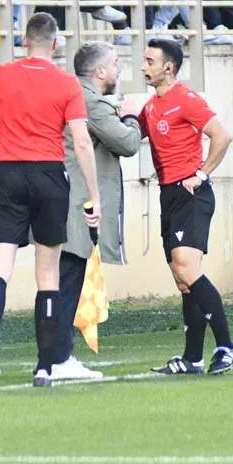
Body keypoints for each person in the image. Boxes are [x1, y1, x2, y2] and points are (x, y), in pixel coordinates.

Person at [0, 13, 103, 389]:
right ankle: (45, 367)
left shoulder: (1, 74)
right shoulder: (66, 84)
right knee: (47, 274)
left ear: (23, 40)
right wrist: (94, 196)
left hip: (9, 174)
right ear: (56, 44)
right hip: (49, 176)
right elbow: (81, 141)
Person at [138, 39, 233, 374]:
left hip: (191, 193)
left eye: (150, 61)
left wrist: (202, 174)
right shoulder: (151, 107)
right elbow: (127, 135)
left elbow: (221, 136)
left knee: (186, 266)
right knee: (183, 280)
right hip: (168, 195)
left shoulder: (186, 99)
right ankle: (193, 357)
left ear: (168, 67)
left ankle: (227, 345)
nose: (143, 67)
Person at [55, 43, 141, 381]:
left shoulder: (72, 92)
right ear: (99, 71)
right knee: (68, 280)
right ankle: (58, 358)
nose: (119, 70)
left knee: (62, 280)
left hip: (62, 196)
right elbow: (127, 143)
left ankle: (55, 357)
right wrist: (131, 116)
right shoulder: (89, 99)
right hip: (76, 202)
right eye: (116, 64)